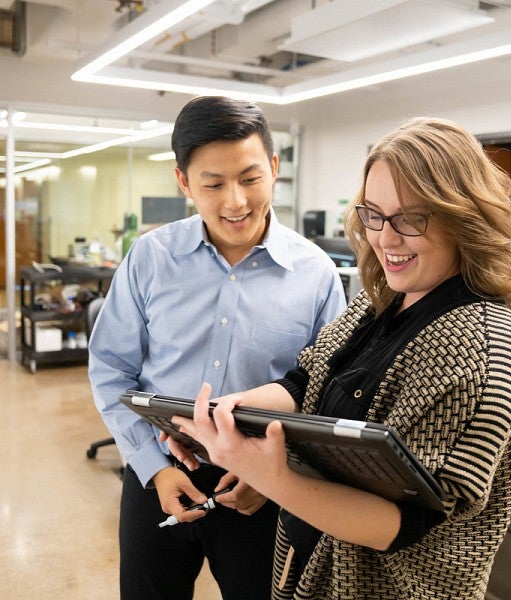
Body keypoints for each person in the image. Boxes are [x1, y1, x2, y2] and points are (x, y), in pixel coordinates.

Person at [168, 117, 511, 599]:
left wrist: (270, 476)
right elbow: (305, 383)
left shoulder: (481, 345)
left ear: (463, 216)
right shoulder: (379, 297)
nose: (385, 238)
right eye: (373, 214)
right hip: (309, 567)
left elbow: (404, 524)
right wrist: (228, 414)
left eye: (411, 218)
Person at [87, 95, 347, 600]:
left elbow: (324, 391)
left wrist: (277, 473)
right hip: (156, 471)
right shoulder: (151, 258)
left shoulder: (315, 273)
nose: (235, 201)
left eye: (250, 179)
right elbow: (110, 367)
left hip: (264, 486)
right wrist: (154, 467)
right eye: (213, 183)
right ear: (183, 181)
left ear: (274, 168)